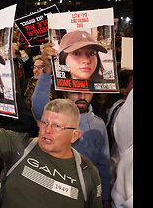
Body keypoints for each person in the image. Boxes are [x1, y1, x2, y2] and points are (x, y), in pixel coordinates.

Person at [0, 63, 103, 207]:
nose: (47, 130)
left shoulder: (88, 175)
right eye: (44, 122)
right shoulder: (18, 145)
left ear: (74, 135)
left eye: (57, 126)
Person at [32, 42, 112, 206]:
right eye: (75, 90)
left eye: (86, 90)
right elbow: (39, 108)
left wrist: (105, 199)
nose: (82, 95)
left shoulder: (99, 124)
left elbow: (103, 166)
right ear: (64, 90)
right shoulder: (54, 117)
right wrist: (47, 71)